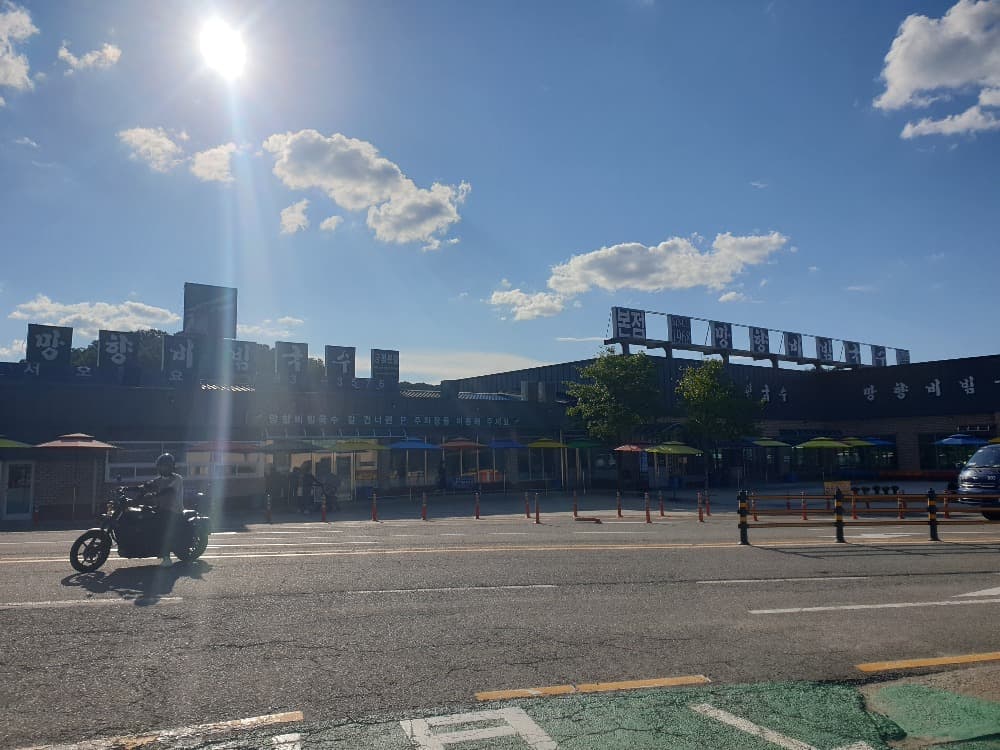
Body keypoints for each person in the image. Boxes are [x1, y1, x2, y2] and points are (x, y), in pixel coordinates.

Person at [143, 453, 184, 567]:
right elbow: (146, 486)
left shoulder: (177, 478)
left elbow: (170, 490)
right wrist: (127, 488)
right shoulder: (158, 480)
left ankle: (167, 558)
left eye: (165, 466)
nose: (162, 468)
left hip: (174, 511)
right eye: (161, 466)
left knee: (162, 529)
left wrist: (154, 494)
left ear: (171, 466)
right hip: (161, 508)